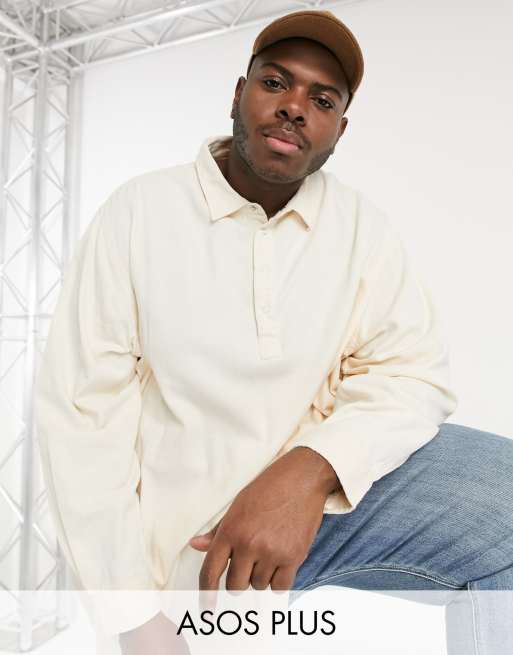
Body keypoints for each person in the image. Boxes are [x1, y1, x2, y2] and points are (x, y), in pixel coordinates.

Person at [34, 9, 513, 655]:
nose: (294, 107)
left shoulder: (359, 227)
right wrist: (134, 619)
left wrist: (306, 472)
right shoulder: (140, 212)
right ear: (239, 93)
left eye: (322, 100)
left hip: (319, 502)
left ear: (339, 129)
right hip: (198, 543)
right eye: (275, 83)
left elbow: (412, 373)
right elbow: (82, 421)